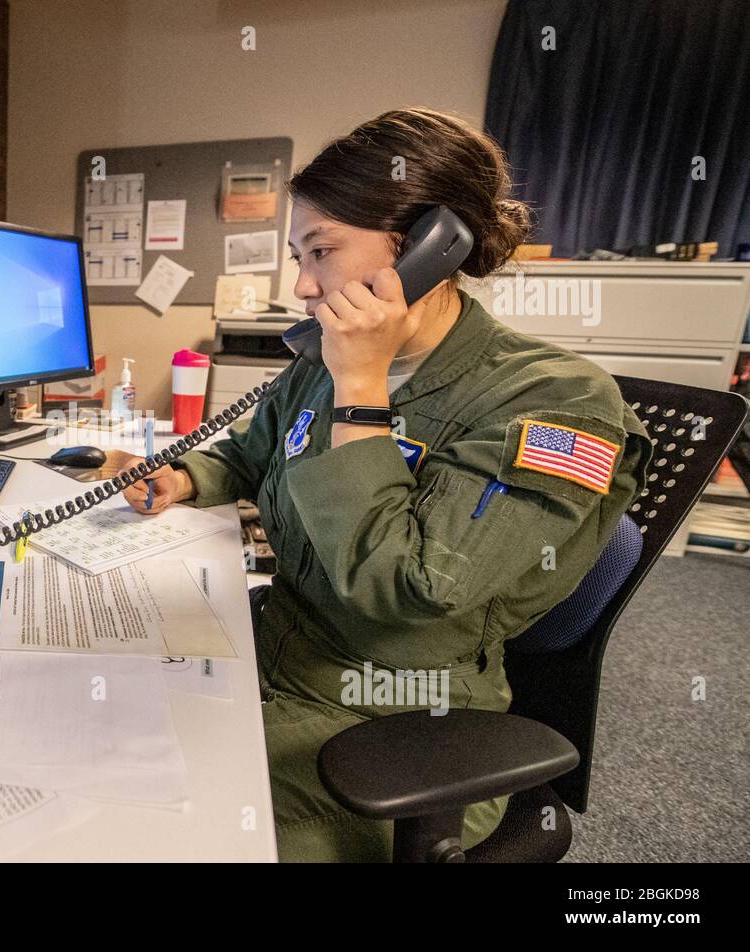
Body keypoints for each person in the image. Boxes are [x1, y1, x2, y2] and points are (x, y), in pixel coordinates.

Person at [113, 108, 652, 862]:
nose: (302, 285)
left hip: (395, 728)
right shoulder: (322, 363)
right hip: (270, 655)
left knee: (134, 827)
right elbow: (255, 451)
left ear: (431, 245)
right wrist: (182, 476)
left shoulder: (557, 404)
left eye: (321, 251)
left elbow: (407, 586)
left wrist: (359, 389)